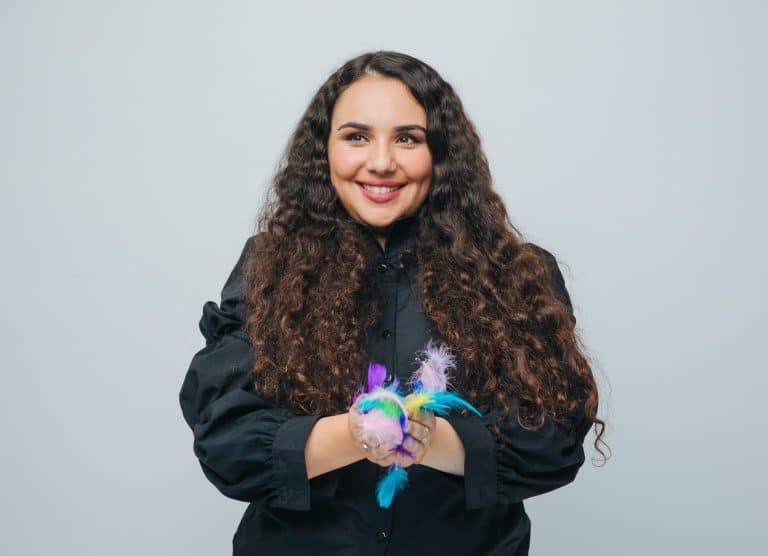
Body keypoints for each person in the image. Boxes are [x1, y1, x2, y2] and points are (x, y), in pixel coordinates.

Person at [179, 50, 607, 555]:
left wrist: (429, 438)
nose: (381, 162)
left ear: (441, 154)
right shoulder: (268, 269)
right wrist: (356, 434)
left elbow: (553, 439)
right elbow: (227, 442)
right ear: (325, 150)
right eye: (356, 137)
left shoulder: (515, 272)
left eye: (408, 138)